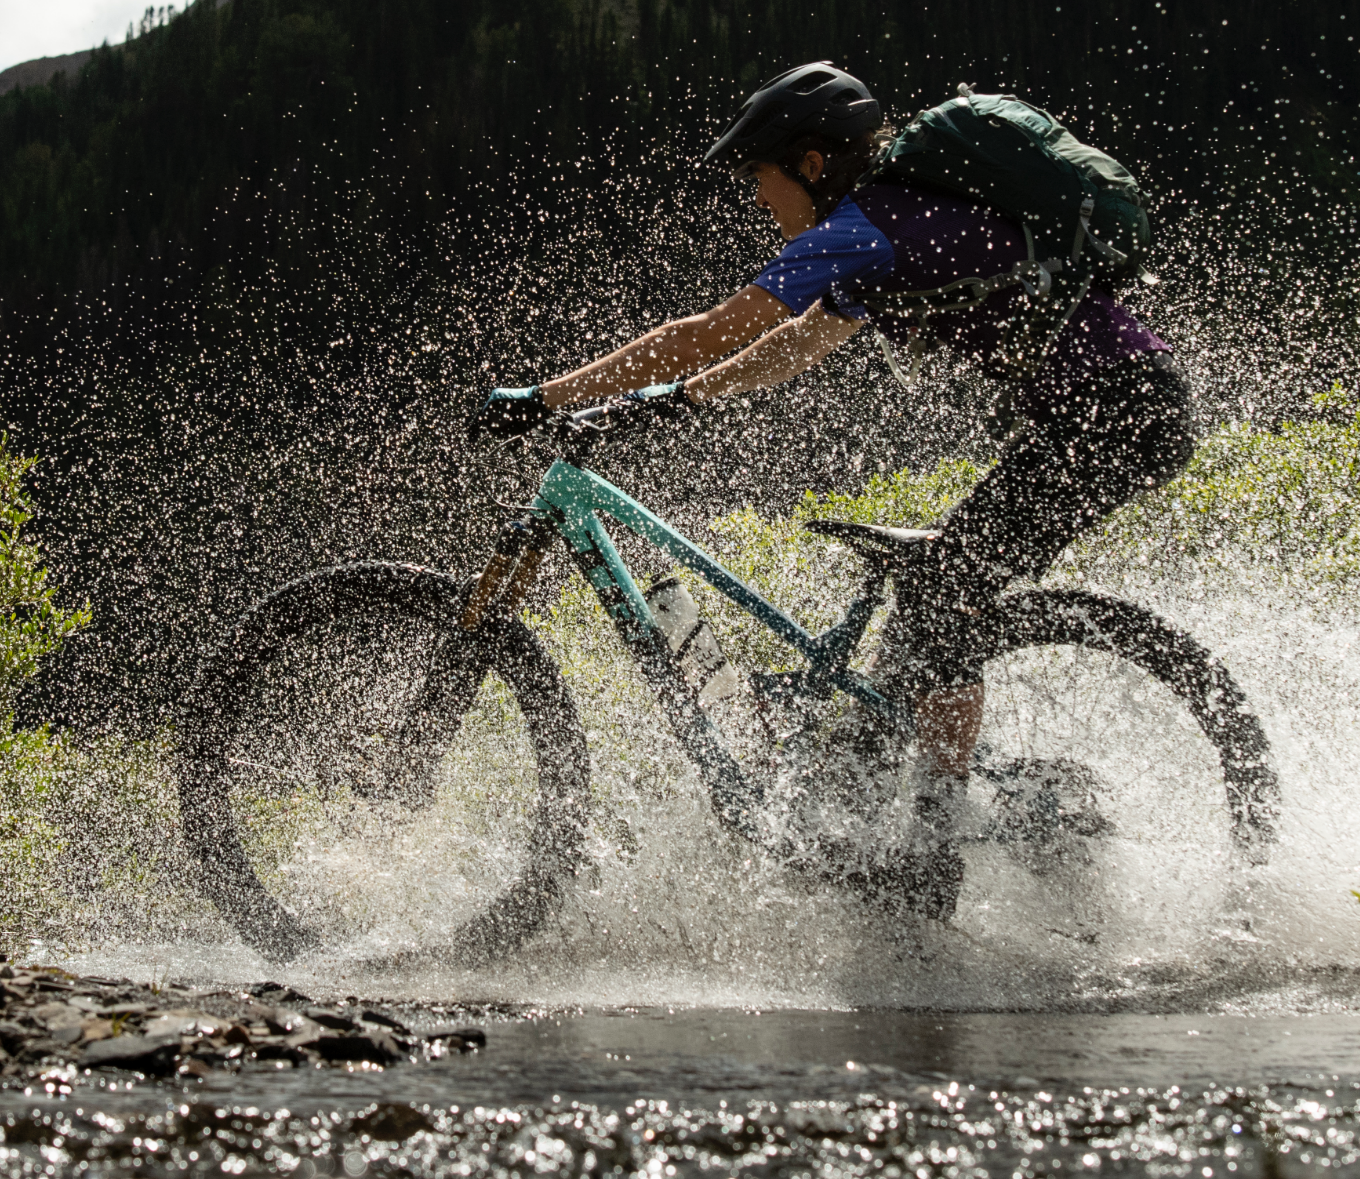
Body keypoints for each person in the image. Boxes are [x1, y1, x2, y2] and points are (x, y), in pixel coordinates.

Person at [468, 61, 1196, 920]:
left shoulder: (867, 224)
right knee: (893, 676)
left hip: (1117, 414)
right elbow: (791, 348)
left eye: (761, 179)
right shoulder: (889, 231)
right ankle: (878, 851)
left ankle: (932, 847)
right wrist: (670, 401)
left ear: (812, 163)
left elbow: (707, 330)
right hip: (1097, 416)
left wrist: (546, 398)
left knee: (944, 588)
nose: (757, 200)